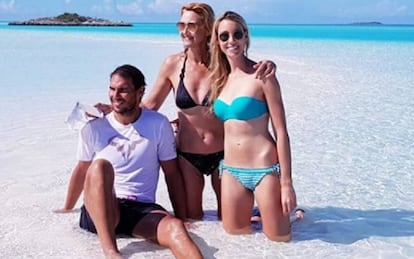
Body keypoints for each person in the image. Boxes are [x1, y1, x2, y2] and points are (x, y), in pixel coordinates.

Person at [95, 3, 276, 220]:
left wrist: (268, 64)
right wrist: (114, 110)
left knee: (232, 223)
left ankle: (273, 214)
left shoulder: (224, 63)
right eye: (181, 24)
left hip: (225, 156)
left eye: (192, 25)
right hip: (188, 156)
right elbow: (151, 105)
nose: (184, 30)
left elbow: (247, 71)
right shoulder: (172, 65)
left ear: (207, 28)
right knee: (192, 221)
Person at [55, 64, 202, 259]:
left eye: (123, 90)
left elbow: (172, 173)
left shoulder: (158, 123)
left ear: (140, 92)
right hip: (99, 209)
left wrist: (181, 216)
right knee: (100, 166)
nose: (115, 95)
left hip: (140, 211)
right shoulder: (93, 126)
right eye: (112, 89)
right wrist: (67, 207)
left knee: (175, 228)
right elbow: (83, 169)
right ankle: (111, 252)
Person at [209, 11, 297, 241]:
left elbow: (281, 132)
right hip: (230, 171)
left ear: (246, 37)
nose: (231, 41)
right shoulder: (220, 80)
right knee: (237, 236)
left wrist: (287, 183)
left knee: (281, 240)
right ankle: (261, 216)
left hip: (265, 170)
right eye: (224, 36)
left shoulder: (263, 75)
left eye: (237, 34)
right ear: (217, 42)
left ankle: (297, 217)